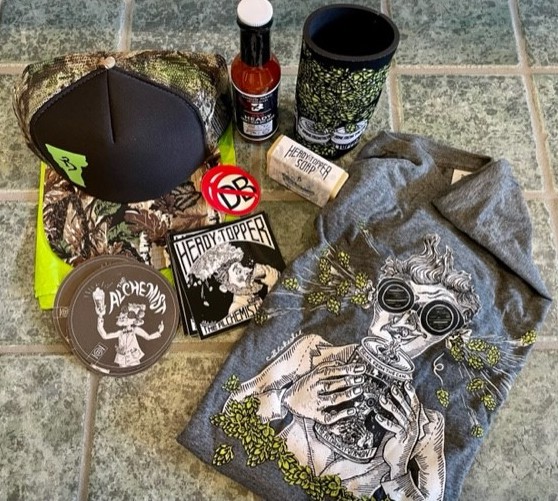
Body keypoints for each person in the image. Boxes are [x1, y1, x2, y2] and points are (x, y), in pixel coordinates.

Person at [225, 235, 481, 499]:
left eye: (435, 318)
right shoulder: (311, 353)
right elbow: (227, 410)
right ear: (374, 296)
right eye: (396, 298)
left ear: (443, 337)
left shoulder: (425, 427)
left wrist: (399, 471)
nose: (405, 323)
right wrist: (287, 399)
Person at [95, 301, 163, 367]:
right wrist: (100, 316)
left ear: (135, 319)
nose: (126, 317)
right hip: (122, 359)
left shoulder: (135, 330)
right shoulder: (120, 333)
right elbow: (105, 336)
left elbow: (148, 337)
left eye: (130, 315)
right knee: (122, 372)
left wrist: (159, 331)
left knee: (136, 370)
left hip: (134, 357)